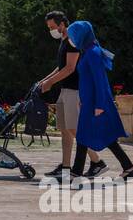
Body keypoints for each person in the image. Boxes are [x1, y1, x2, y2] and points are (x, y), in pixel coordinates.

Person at [65, 20, 133, 181]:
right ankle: (129, 169)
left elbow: (100, 81)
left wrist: (99, 105)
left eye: (72, 35)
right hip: (89, 103)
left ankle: (75, 173)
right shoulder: (89, 51)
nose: (71, 39)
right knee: (106, 137)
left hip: (96, 104)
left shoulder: (93, 53)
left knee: (84, 137)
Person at [38, 10, 104, 181]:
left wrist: (50, 83)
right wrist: (44, 80)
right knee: (65, 130)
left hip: (74, 90)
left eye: (53, 27)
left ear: (62, 24)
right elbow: (61, 67)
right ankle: (65, 167)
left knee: (74, 129)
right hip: (65, 90)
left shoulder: (73, 41)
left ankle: (97, 161)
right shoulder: (63, 41)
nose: (51, 30)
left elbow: (70, 68)